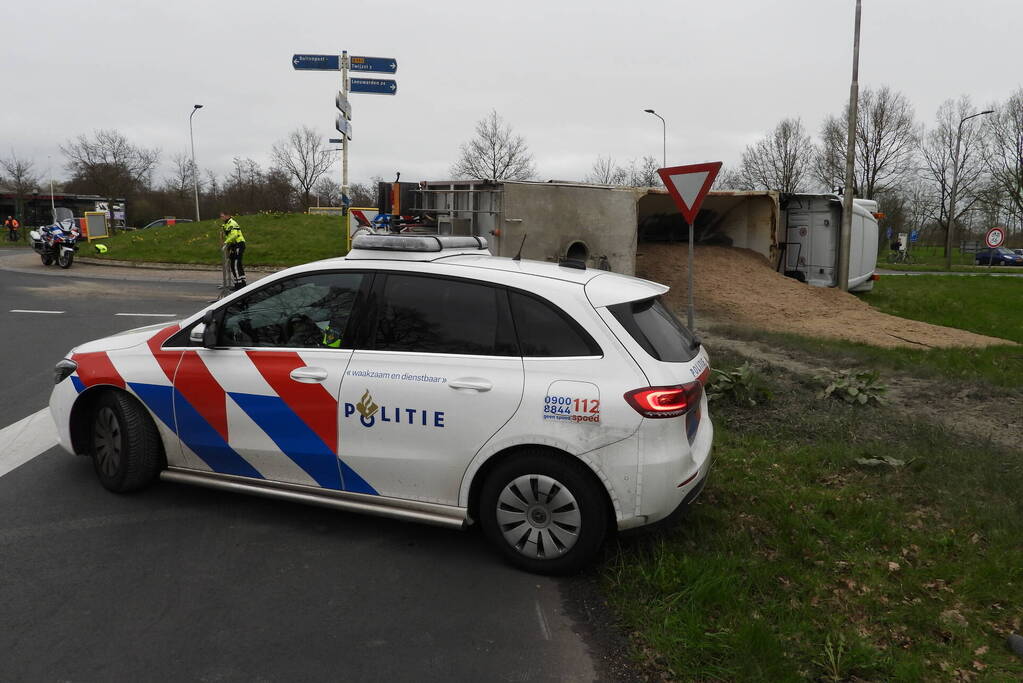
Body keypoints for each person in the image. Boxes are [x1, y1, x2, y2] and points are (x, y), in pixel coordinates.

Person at [220, 212, 246, 291]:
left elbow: (234, 235)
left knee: (235, 265)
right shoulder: (226, 224)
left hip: (238, 244)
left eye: (222, 216)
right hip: (233, 246)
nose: (221, 217)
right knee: (234, 265)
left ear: (227, 216)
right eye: (220, 216)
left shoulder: (232, 223)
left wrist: (226, 242)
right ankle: (241, 282)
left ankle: (239, 285)